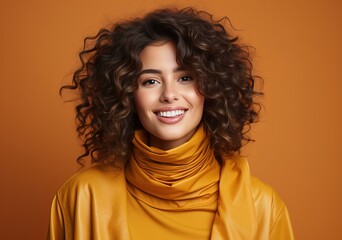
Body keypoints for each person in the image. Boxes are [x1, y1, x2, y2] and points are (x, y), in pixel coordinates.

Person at [48, 7, 295, 240]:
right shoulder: (80, 197)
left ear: (212, 88)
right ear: (126, 94)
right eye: (150, 81)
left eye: (185, 78)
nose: (169, 94)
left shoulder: (263, 206)